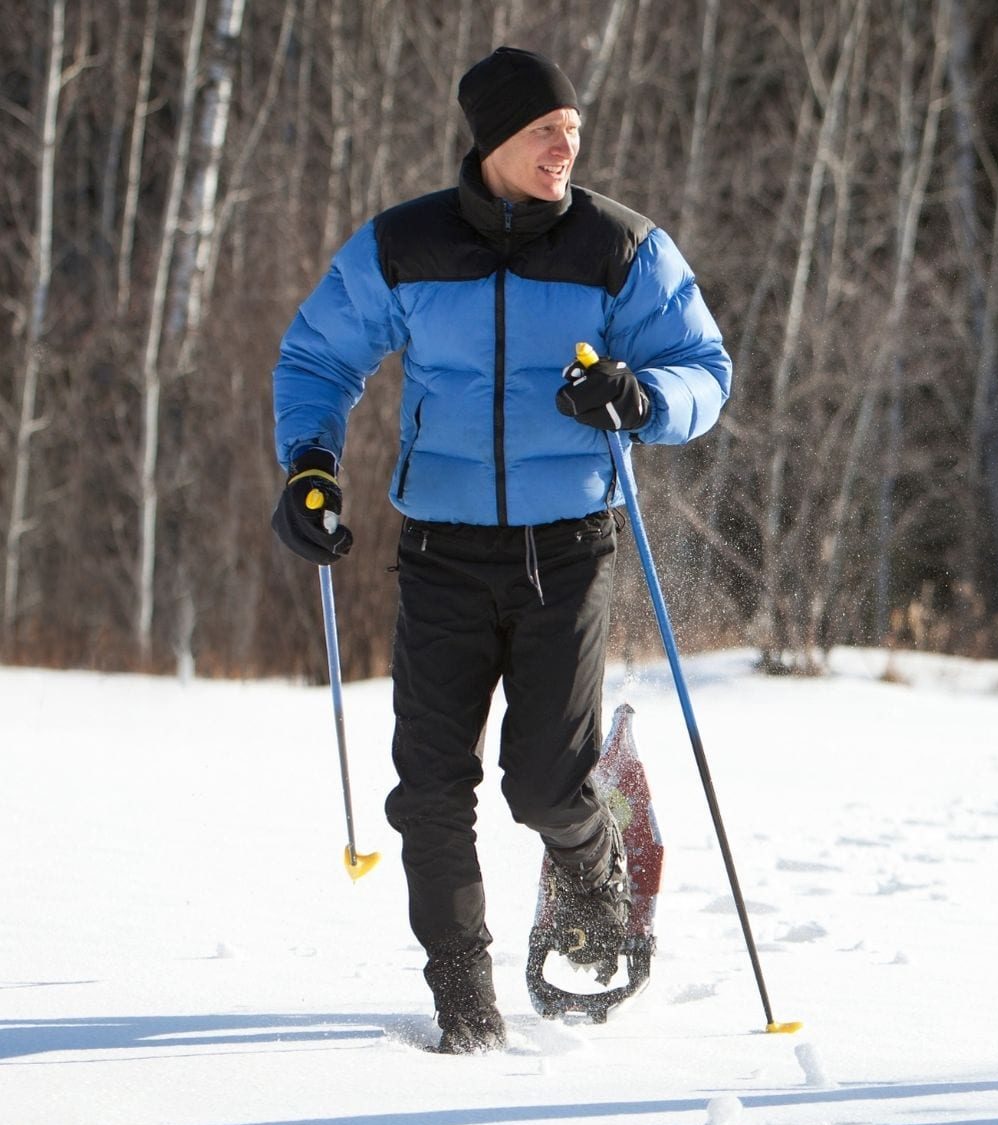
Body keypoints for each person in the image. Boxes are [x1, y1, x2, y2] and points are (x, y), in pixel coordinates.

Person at [269, 46, 732, 1054]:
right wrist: (309, 464)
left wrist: (640, 397)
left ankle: (595, 856)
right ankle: (462, 1002)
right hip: (439, 548)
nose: (565, 147)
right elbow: (317, 356)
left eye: (572, 131)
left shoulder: (621, 249)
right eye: (543, 132)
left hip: (567, 548)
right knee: (428, 789)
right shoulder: (405, 245)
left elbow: (704, 369)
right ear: (491, 142)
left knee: (544, 784)